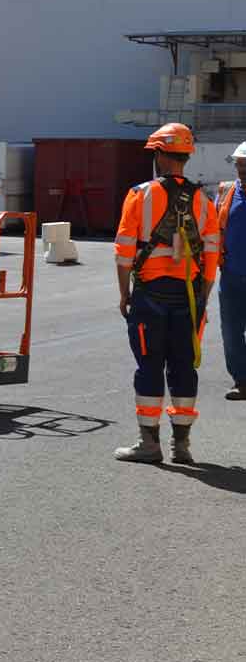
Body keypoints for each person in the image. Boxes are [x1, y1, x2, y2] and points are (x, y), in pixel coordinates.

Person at [113, 123, 219, 465]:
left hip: (150, 295)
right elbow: (212, 255)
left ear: (160, 154)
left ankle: (149, 444)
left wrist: (123, 293)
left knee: (149, 366)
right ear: (186, 156)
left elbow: (125, 251)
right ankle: (182, 445)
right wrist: (201, 298)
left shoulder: (139, 195)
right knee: (184, 367)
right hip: (188, 295)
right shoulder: (204, 200)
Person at [216, 141, 246, 399]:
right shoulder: (226, 193)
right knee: (231, 331)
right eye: (239, 165)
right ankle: (241, 380)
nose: (242, 170)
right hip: (232, 275)